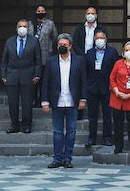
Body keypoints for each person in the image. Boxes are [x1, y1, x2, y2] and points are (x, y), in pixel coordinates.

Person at [41, 34, 87, 169]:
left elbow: (83, 81)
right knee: (57, 131)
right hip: (57, 101)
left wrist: (83, 99)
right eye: (60, 44)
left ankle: (68, 158)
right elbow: (45, 82)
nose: (62, 46)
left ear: (70, 46)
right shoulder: (50, 61)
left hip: (73, 101)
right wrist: (44, 101)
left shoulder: (79, 61)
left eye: (65, 45)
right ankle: (57, 158)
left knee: (71, 131)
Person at [0, 19, 42, 134]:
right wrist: (3, 75)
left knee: (27, 102)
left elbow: (38, 59)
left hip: (28, 75)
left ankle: (27, 125)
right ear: (16, 28)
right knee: (12, 102)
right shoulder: (10, 41)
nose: (22, 28)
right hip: (12, 75)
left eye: (24, 26)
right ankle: (14, 125)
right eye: (20, 26)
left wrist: (37, 75)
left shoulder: (34, 41)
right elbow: (4, 60)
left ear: (28, 29)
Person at [85, 30, 119, 147]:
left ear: (105, 39)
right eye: (97, 38)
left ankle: (107, 137)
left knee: (107, 115)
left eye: (101, 38)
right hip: (92, 88)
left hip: (107, 87)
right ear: (94, 40)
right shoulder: (89, 53)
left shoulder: (112, 52)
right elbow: (85, 71)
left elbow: (116, 70)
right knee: (92, 116)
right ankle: (92, 138)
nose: (99, 40)